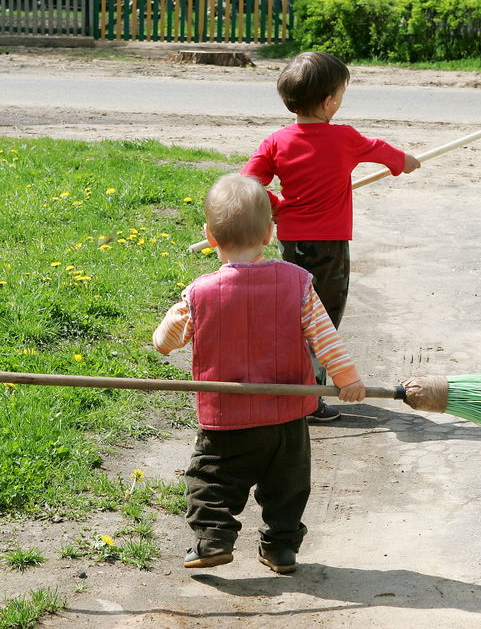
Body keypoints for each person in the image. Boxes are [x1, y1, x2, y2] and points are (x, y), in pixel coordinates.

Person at [153, 174, 366, 574]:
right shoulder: (297, 282)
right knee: (288, 489)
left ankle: (212, 539)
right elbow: (325, 338)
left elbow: (165, 341)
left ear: (209, 236)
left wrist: (170, 327)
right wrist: (347, 380)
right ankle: (281, 547)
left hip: (227, 418)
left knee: (211, 483)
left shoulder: (198, 293)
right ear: (270, 233)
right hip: (287, 416)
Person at [241, 51, 420, 423]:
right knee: (322, 319)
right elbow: (383, 151)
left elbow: (248, 183)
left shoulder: (275, 142)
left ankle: (289, 387)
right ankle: (311, 399)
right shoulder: (346, 138)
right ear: (329, 102)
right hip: (331, 250)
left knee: (293, 315)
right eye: (341, 94)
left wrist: (277, 205)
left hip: (291, 246)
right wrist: (405, 162)